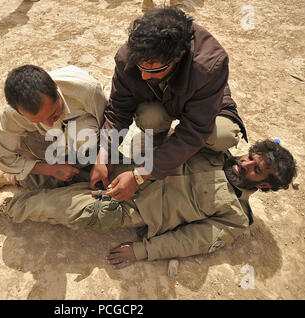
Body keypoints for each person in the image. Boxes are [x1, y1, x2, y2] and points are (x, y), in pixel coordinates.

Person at [0, 139, 297, 269]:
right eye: (253, 157)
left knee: (73, 209)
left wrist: (143, 252)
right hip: (131, 167)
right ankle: (13, 175)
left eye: (257, 169)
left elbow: (192, 241)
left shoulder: (237, 218)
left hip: (131, 208)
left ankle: (4, 206)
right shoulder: (214, 147)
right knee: (75, 164)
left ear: (265, 184)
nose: (247, 164)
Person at [89, 5, 248, 202]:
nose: (144, 76)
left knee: (222, 135)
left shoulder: (209, 66)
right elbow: (118, 110)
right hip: (161, 101)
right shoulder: (129, 57)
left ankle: (184, 154)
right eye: (141, 67)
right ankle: (161, 143)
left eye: (154, 70)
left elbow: (194, 130)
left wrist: (139, 176)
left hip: (204, 103)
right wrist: (104, 153)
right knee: (150, 117)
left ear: (179, 55)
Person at [0, 64, 107, 192]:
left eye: (53, 114)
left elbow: (110, 126)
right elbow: (6, 158)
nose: (49, 124)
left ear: (55, 87)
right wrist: (51, 169)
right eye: (39, 121)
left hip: (85, 144)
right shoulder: (11, 115)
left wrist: (102, 160)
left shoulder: (88, 90)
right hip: (41, 147)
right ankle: (5, 175)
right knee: (56, 186)